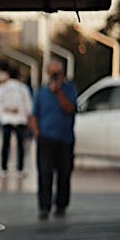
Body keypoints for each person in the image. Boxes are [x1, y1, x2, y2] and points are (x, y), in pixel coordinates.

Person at [31, 59, 78, 219]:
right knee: (45, 173)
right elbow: (34, 115)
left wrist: (58, 92)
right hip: (46, 139)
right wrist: (37, 132)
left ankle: (61, 205)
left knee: (64, 173)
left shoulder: (70, 89)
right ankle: (44, 206)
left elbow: (70, 109)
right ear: (47, 74)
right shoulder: (41, 92)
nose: (55, 76)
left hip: (65, 139)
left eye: (58, 73)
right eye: (53, 73)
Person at [0, 65, 32, 175]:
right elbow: (28, 105)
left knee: (5, 144)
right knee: (20, 145)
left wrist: (4, 112)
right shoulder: (23, 88)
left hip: (6, 119)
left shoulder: (2, 88)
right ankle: (20, 168)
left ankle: (4, 167)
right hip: (20, 119)